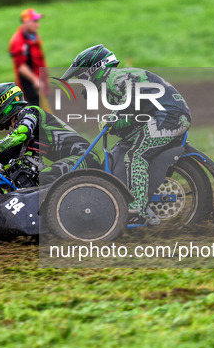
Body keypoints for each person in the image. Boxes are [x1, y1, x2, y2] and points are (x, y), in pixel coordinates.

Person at [60, 44, 192, 225]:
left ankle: (138, 209)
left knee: (136, 155)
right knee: (122, 147)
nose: (83, 82)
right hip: (164, 115)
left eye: (82, 76)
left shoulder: (115, 77)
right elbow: (132, 115)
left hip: (171, 116)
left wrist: (112, 119)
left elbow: (129, 101)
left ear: (94, 70)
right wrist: (115, 124)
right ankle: (126, 196)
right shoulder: (113, 82)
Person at [0, 82, 100, 184]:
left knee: (46, 176)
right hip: (78, 160)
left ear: (3, 103)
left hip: (85, 158)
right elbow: (2, 155)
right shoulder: (21, 132)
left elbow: (22, 133)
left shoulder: (30, 112)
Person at [9, 8, 51, 111]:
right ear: (26, 22)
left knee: (44, 114)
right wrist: (35, 80)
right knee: (35, 114)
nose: (38, 25)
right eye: (35, 21)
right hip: (29, 87)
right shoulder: (18, 41)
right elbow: (21, 67)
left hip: (39, 83)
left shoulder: (33, 37)